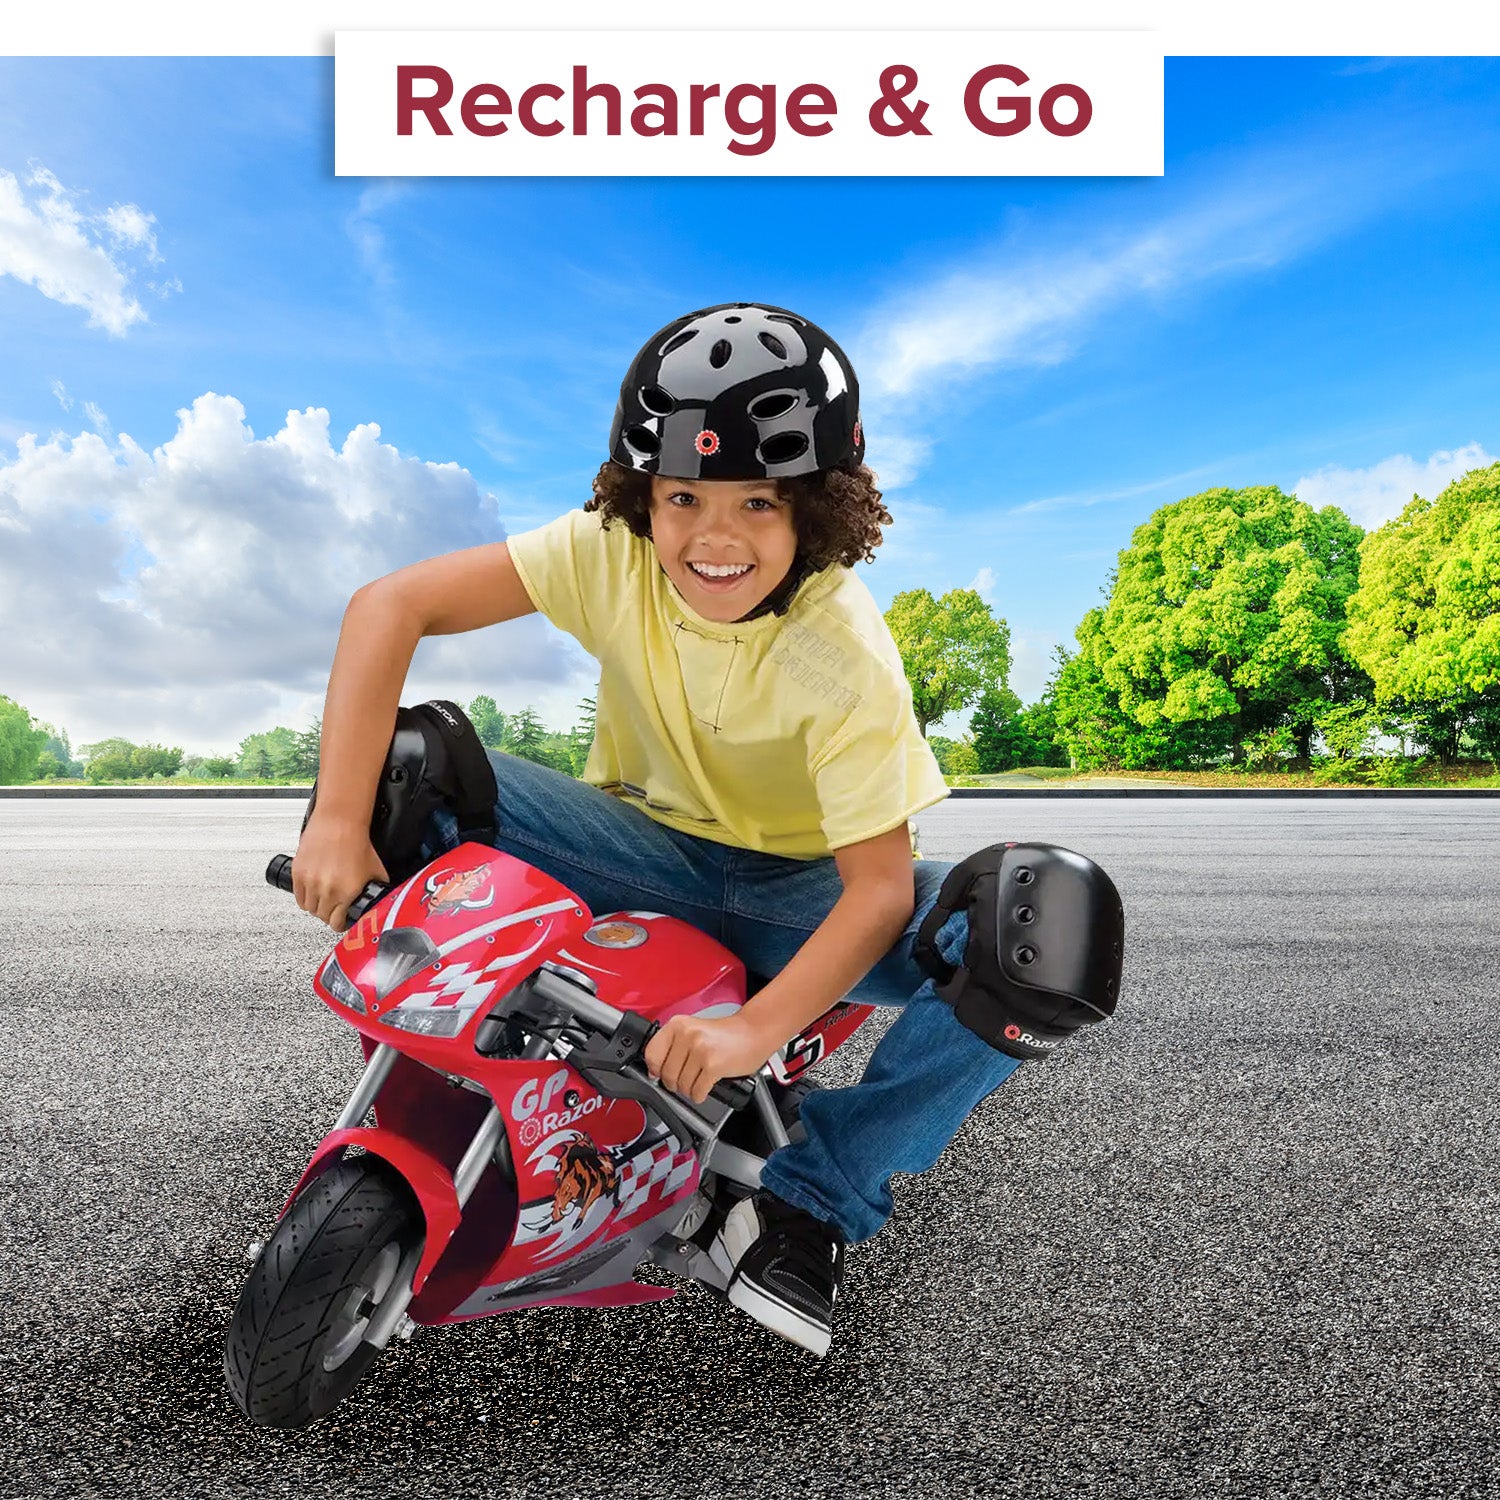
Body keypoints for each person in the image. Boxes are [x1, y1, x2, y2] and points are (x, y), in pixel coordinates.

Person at [293, 302, 1028, 1359]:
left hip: (796, 895)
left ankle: (802, 1199)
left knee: (1037, 925)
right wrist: (335, 817)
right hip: (632, 852)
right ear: (641, 496)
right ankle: (453, 1075)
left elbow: (875, 894)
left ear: (818, 512)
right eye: (682, 496)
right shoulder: (611, 551)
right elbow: (387, 606)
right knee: (397, 769)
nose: (712, 537)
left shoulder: (843, 652)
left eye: (758, 504)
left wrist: (752, 1033)